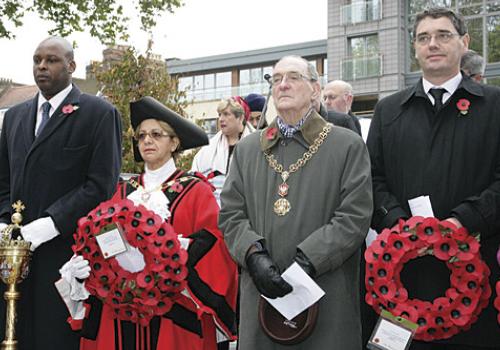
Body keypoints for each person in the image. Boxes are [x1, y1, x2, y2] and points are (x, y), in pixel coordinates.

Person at [367, 8, 500, 350]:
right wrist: (401, 228)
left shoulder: (493, 106)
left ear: (464, 42)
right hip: (401, 274)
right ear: (414, 48)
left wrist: (463, 220)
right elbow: (372, 179)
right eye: (424, 38)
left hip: (475, 271)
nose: (433, 44)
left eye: (443, 35)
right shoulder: (389, 110)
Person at [219, 55, 373, 349]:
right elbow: (230, 213)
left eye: (293, 77)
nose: (283, 85)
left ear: (315, 89)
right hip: (261, 297)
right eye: (276, 79)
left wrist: (308, 261)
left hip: (325, 294)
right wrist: (253, 255)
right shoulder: (248, 149)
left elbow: (354, 217)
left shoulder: (347, 145)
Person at [60, 96, 238, 350]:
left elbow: (216, 244)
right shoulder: (121, 191)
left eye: (156, 134)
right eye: (141, 136)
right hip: (119, 310)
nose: (147, 140)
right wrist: (85, 265)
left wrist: (179, 251)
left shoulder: (197, 190)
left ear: (174, 142)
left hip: (174, 313)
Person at [0, 36, 122, 350]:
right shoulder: (14, 117)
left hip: (66, 252)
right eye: (37, 59)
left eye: (52, 60)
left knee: (54, 337)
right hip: (14, 254)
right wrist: (4, 222)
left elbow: (101, 184)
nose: (42, 66)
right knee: (13, 333)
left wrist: (50, 223)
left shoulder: (97, 113)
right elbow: (3, 178)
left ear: (71, 66)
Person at [191, 96, 254, 205]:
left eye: (226, 114)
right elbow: (194, 179)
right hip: (213, 212)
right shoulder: (208, 150)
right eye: (220, 114)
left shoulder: (256, 145)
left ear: (240, 118)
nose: (221, 119)